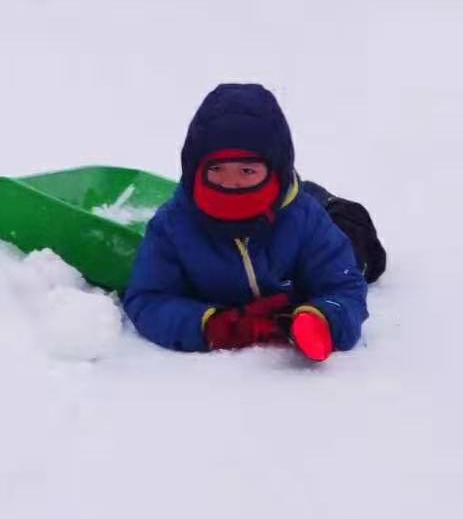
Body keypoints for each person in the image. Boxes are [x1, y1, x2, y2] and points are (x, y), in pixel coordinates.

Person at [124, 83, 380, 361]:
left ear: (274, 170)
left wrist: (325, 318)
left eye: (247, 170)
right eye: (216, 169)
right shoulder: (173, 225)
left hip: (307, 215)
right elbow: (148, 299)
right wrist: (210, 325)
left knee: (362, 254)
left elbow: (343, 287)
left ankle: (322, 198)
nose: (231, 183)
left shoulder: (305, 219)